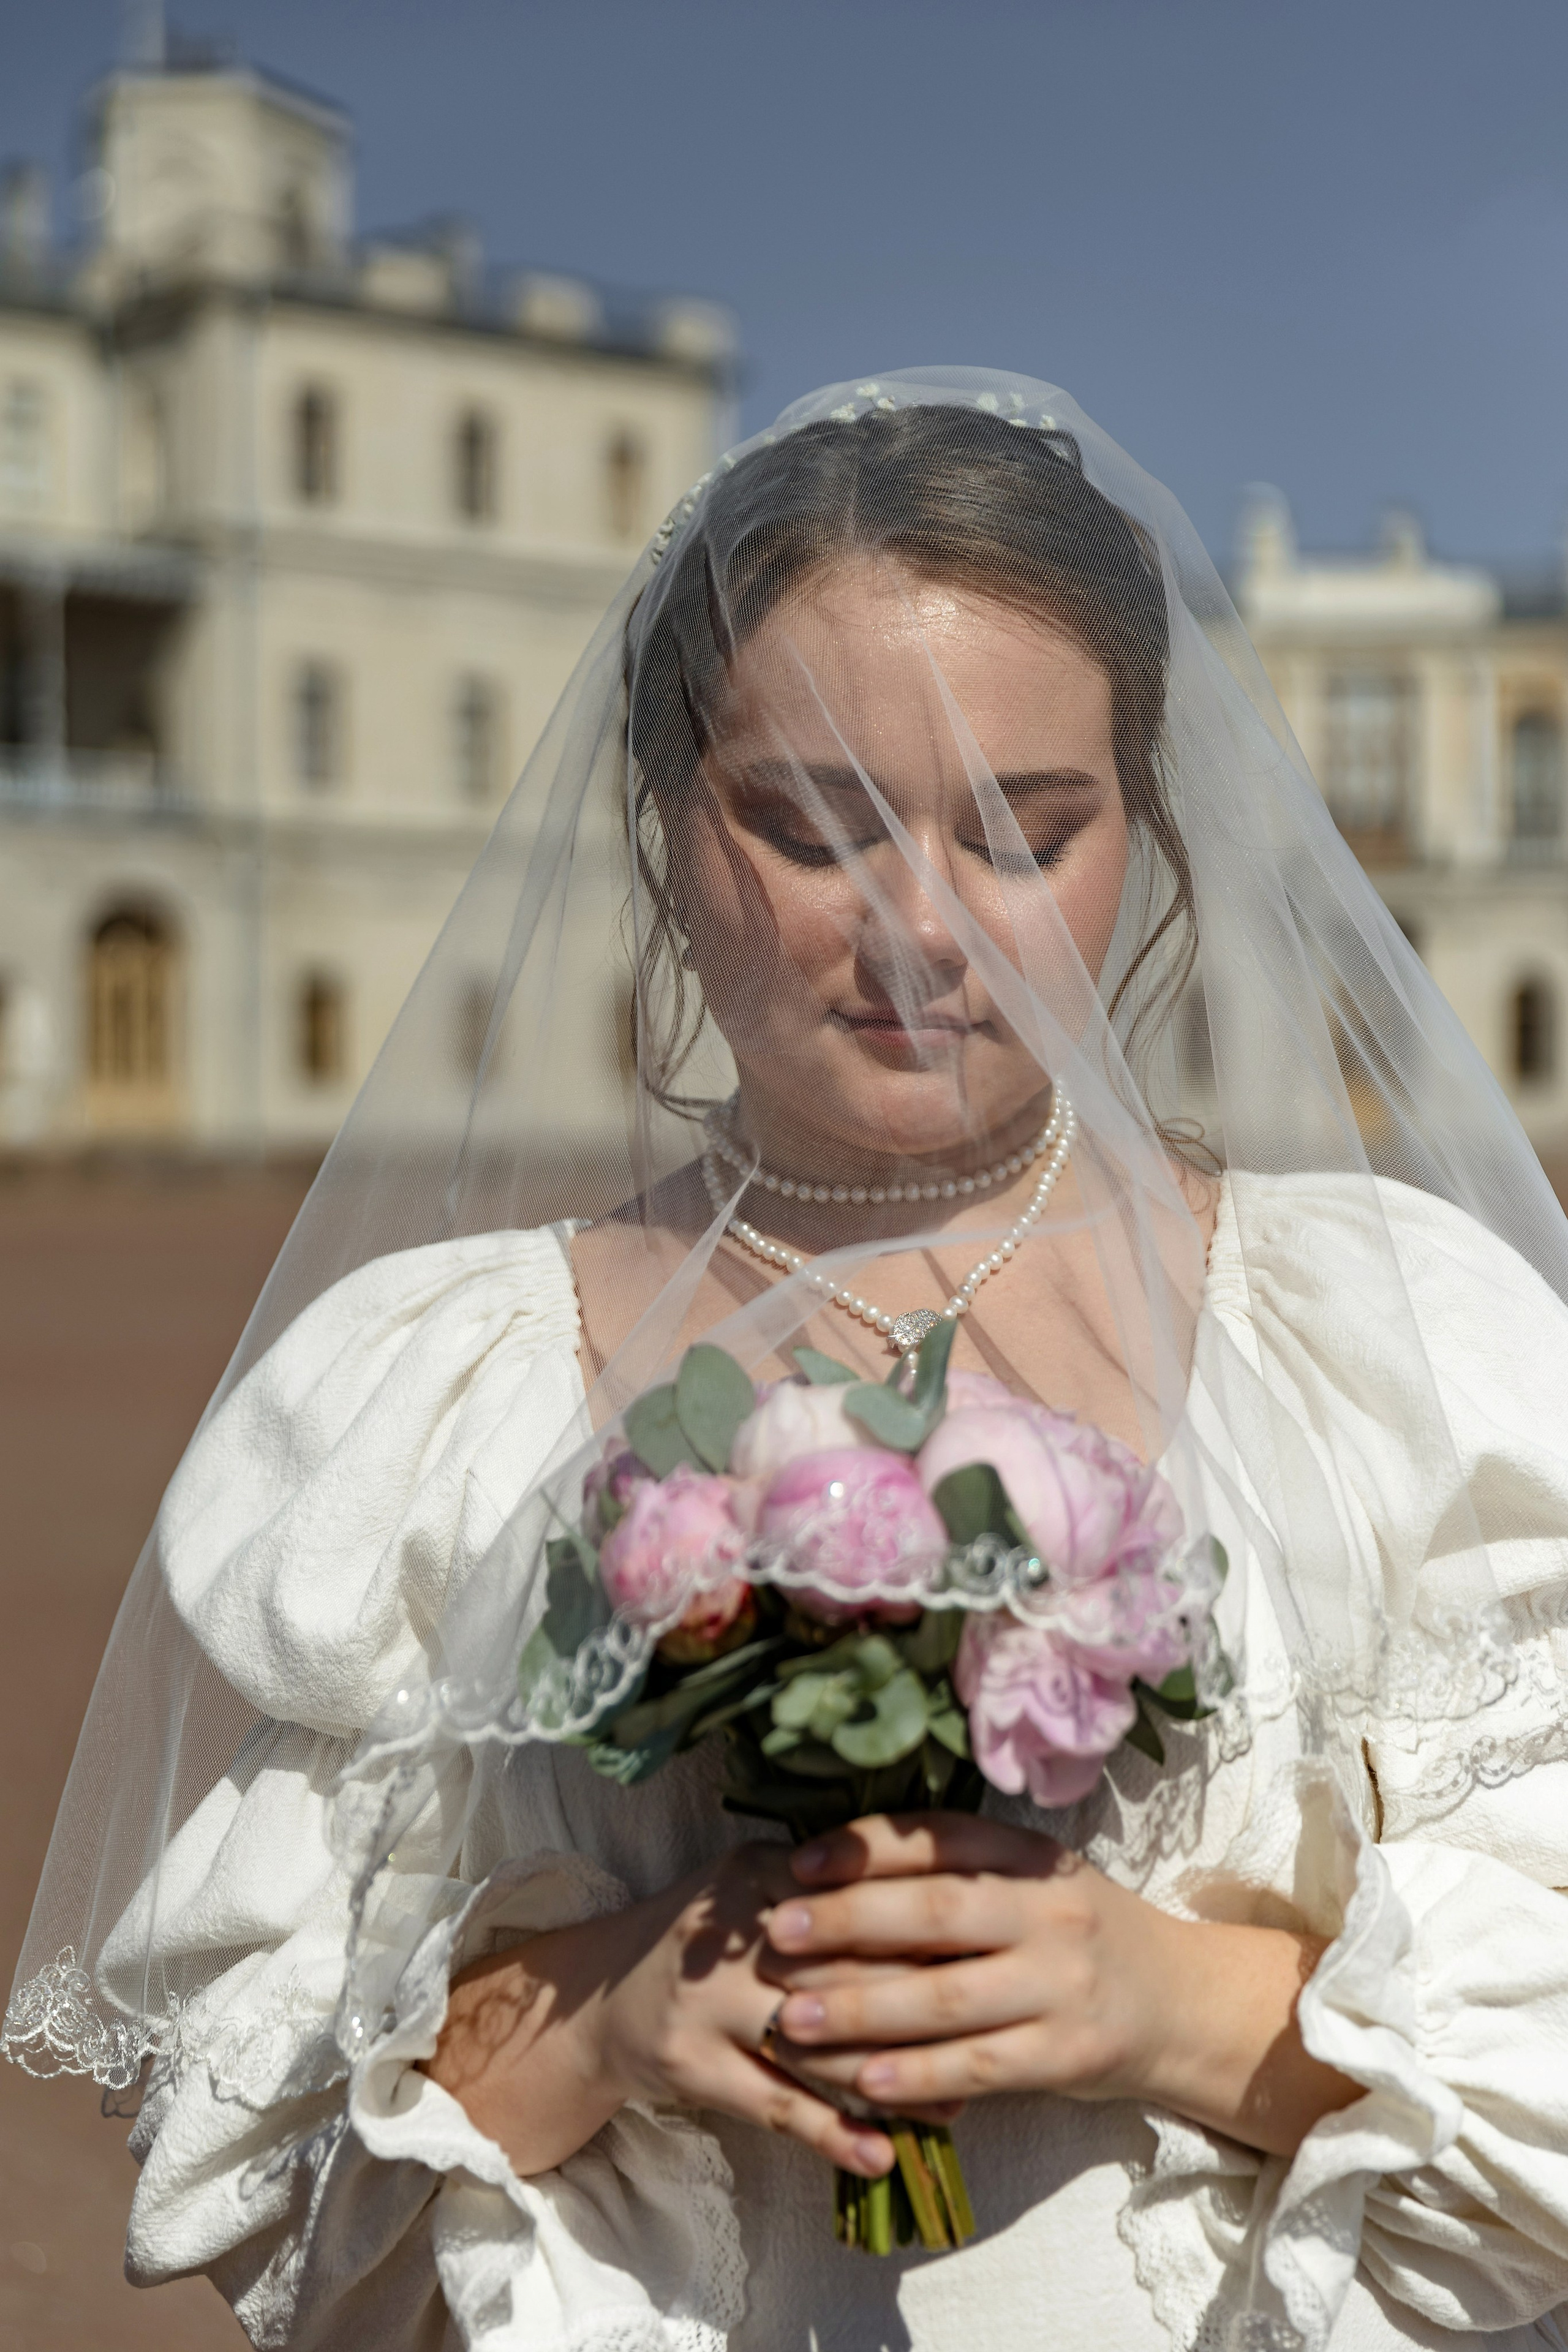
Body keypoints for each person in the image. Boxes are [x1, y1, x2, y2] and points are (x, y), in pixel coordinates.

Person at [9, 371, 1568, 2352]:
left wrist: (1161, 2001)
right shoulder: (449, 1395)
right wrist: (619, 2012)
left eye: (1024, 831)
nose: (921, 929)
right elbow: (286, 2193)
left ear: (1147, 836)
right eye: (808, 824)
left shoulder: (1385, 1355)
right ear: (668, 835)